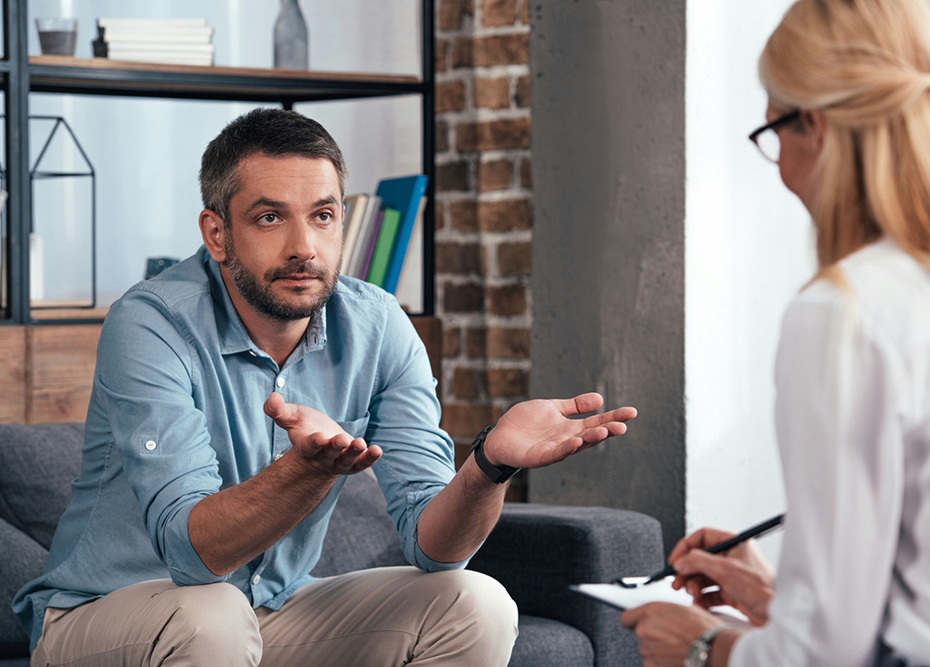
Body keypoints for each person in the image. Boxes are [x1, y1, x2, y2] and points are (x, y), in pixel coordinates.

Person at [12, 108, 638, 667]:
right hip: (102, 620)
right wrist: (306, 472)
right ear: (216, 233)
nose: (303, 247)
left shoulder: (379, 324)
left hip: (268, 612)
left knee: (475, 601)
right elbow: (191, 554)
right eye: (268, 218)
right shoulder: (150, 322)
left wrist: (489, 465)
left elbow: (434, 549)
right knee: (211, 613)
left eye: (323, 216)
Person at [621, 0, 930, 665]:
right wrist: (785, 598)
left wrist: (702, 644)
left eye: (771, 132)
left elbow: (826, 656)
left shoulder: (849, 310)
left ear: (815, 126)